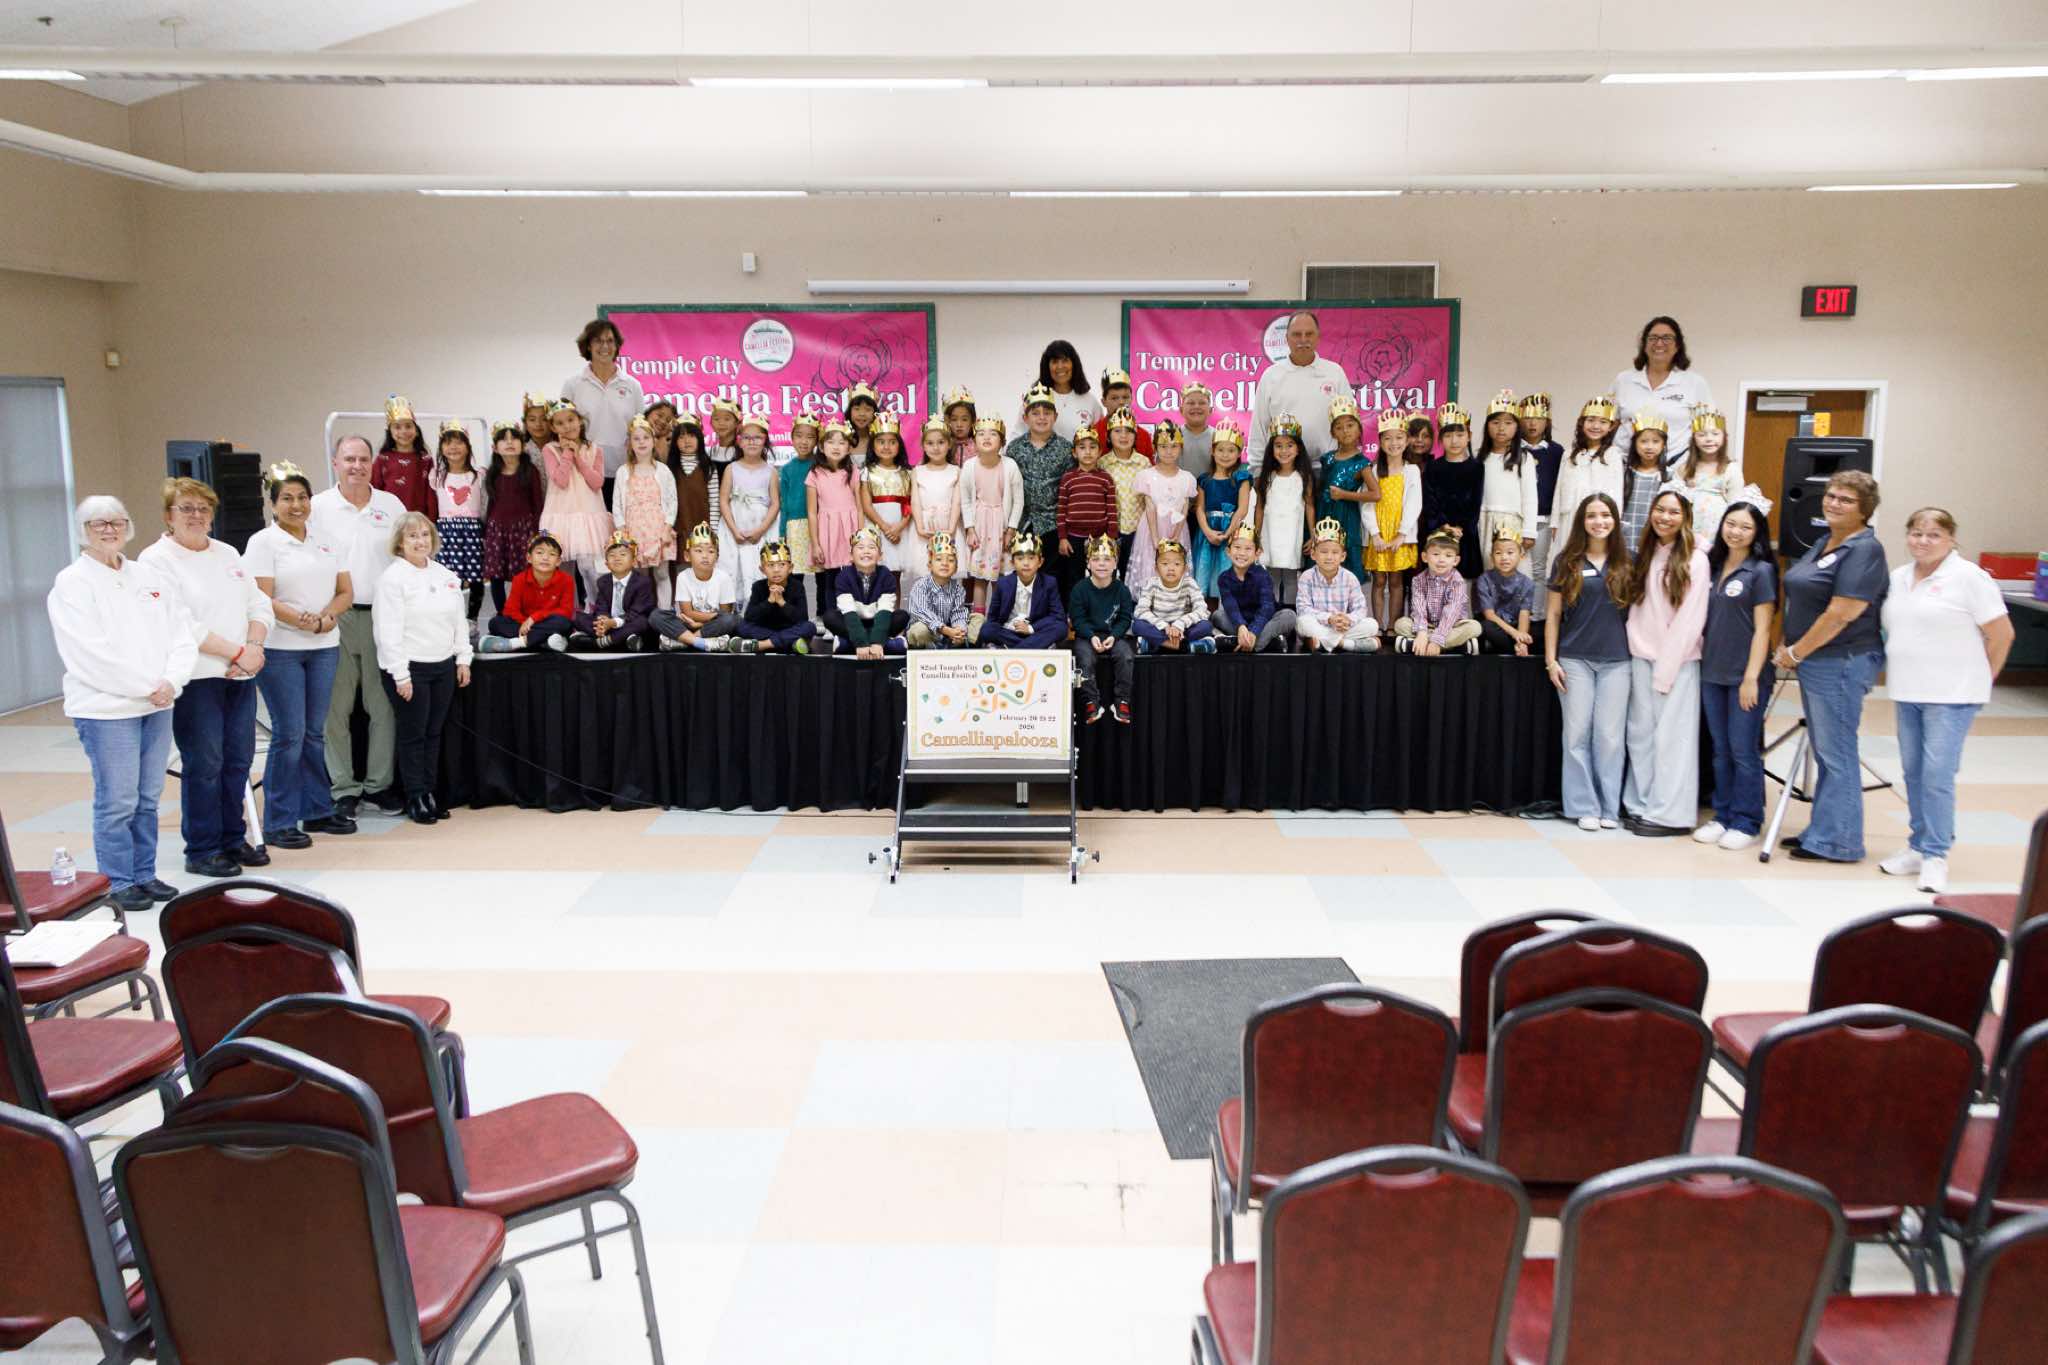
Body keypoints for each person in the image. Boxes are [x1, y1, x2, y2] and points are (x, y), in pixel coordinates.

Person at [47, 496, 196, 912]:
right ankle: (118, 880)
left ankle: (144, 874)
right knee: (118, 801)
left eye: (116, 521)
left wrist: (171, 681)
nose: (109, 529)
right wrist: (146, 686)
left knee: (148, 797)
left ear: (128, 526)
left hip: (158, 703)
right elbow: (87, 653)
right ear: (83, 531)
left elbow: (182, 634)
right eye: (98, 524)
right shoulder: (72, 583)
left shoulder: (148, 576)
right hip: (106, 709)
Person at [139, 477, 276, 876]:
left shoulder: (227, 553)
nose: (196, 516)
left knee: (238, 760)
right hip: (197, 678)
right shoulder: (155, 560)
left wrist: (254, 646)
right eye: (186, 508)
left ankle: (233, 838)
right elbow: (182, 624)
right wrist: (238, 653)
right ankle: (202, 849)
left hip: (240, 675)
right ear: (168, 516)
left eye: (203, 509)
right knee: (205, 763)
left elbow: (259, 604)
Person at [1877, 507, 2016, 893]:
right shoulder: (1899, 577)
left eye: (1934, 534)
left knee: (1937, 775)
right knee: (1913, 772)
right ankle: (1917, 845)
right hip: (1907, 690)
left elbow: (2002, 634)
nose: (1923, 541)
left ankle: (1935, 855)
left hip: (1952, 695)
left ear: (1952, 539)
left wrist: (1983, 678)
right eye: (1916, 533)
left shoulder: (1968, 577)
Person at [1773, 470, 1888, 864]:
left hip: (1840, 660)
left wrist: (1797, 652)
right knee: (1825, 750)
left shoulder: (1864, 550)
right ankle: (1823, 830)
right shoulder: (1826, 541)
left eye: (1846, 499)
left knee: (1837, 751)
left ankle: (1840, 842)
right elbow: (1806, 596)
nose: (1834, 503)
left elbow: (1842, 612)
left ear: (1865, 509)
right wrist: (1789, 643)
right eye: (1831, 496)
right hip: (1816, 659)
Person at [244, 462, 356, 846]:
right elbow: (260, 597)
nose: (296, 505)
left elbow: (345, 591)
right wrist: (301, 620)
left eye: (303, 497)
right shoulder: (263, 543)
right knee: (289, 734)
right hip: (281, 649)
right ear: (273, 504)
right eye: (287, 499)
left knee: (313, 733)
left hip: (323, 646)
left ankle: (317, 810)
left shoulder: (327, 540)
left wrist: (325, 619)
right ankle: (279, 820)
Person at [310, 433, 405, 820]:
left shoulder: (391, 504)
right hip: (337, 616)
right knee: (337, 707)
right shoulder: (317, 507)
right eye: (349, 459)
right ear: (335, 463)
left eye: (364, 459)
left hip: (383, 616)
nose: (357, 466)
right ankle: (343, 787)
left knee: (381, 706)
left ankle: (379, 785)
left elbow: (406, 556)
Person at [1618, 486, 1711, 836]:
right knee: (1640, 737)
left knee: (1673, 741)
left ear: (1686, 518)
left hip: (1676, 663)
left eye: (1673, 512)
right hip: (1641, 656)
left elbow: (1690, 621)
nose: (1665, 517)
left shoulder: (1696, 560)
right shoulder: (1648, 553)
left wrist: (1666, 670)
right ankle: (1640, 804)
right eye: (1660, 510)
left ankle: (1671, 815)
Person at [372, 512, 471, 825]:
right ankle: (415, 796)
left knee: (433, 733)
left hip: (442, 665)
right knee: (413, 735)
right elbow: (387, 631)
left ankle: (429, 792)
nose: (420, 541)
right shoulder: (392, 579)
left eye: (425, 535)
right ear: (400, 543)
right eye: (412, 536)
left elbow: (458, 620)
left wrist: (463, 657)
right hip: (409, 669)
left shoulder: (445, 574)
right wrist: (400, 674)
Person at [1546, 493, 1634, 831]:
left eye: (1606, 515)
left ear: (1615, 520)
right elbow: (1553, 615)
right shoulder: (1566, 561)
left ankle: (1610, 808)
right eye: (1592, 516)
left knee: (1610, 737)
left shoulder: (1629, 560)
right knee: (1576, 734)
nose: (1599, 522)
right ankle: (1585, 806)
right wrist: (1551, 660)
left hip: (1618, 660)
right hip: (1575, 660)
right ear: (1582, 521)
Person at [1695, 493, 1778, 852]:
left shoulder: (1761, 572)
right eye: (1731, 524)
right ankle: (1723, 814)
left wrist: (1751, 678)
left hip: (1746, 676)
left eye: (1745, 527)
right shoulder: (1712, 567)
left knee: (1743, 749)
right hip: (1712, 672)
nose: (1736, 532)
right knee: (1720, 749)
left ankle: (1747, 820)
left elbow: (1763, 630)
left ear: (1757, 533)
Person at [1249, 310, 1354, 473]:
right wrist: (1256, 471)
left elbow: (1351, 423)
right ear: (1287, 338)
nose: (1303, 340)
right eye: (1297, 334)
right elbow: (1259, 427)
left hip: (1329, 470)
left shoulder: (1335, 373)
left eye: (1309, 334)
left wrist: (1348, 465)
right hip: (1282, 469)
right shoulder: (1271, 376)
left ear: (1318, 337)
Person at [561, 317, 647, 494]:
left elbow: (641, 428)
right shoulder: (572, 385)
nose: (605, 346)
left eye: (610, 341)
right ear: (588, 346)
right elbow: (562, 427)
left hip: (624, 471)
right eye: (598, 341)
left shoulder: (632, 385)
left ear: (617, 346)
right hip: (584, 471)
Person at [1614, 316, 1713, 468]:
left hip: (1676, 468)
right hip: (1624, 467)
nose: (1659, 343)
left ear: (1677, 345)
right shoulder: (1623, 380)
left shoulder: (1694, 383)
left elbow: (1707, 429)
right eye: (1653, 338)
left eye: (1667, 338)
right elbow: (1610, 424)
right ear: (1644, 345)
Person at [541, 399, 614, 600]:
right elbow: (561, 480)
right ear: (553, 427)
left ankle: (595, 605)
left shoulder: (594, 449)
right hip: (561, 513)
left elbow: (597, 482)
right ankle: (569, 609)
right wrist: (567, 453)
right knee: (563, 568)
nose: (567, 426)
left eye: (571, 420)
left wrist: (578, 458)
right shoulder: (550, 449)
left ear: (579, 420)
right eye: (560, 423)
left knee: (589, 566)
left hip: (589, 513)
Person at [1546, 396, 1624, 576]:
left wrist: (1614, 521)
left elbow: (1617, 494)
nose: (1596, 426)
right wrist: (1555, 523)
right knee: (1566, 563)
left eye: (1603, 422)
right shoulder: (1569, 454)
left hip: (1596, 518)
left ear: (1611, 426)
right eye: (1591, 420)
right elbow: (1559, 490)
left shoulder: (1613, 455)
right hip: (1569, 517)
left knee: (1589, 564)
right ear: (1582, 423)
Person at [1007, 384, 1075, 588]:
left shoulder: (1065, 449)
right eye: (1035, 413)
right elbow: (1009, 489)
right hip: (1024, 523)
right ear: (1025, 418)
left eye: (1047, 413)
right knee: (1024, 575)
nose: (1042, 417)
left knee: (1053, 577)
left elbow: (1070, 490)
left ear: (1055, 416)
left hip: (1053, 525)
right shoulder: (1015, 449)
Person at [610, 415, 678, 609]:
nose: (641, 442)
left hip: (658, 530)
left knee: (662, 573)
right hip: (634, 531)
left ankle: (664, 614)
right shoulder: (623, 471)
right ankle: (642, 614)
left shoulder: (663, 471)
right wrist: (622, 530)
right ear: (630, 444)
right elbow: (617, 504)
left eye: (646, 438)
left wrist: (667, 529)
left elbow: (672, 502)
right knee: (640, 576)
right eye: (636, 438)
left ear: (653, 441)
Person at [1068, 533, 1137, 723]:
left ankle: (1122, 701)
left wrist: (1114, 635)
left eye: (1107, 559)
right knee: (1084, 658)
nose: (1101, 564)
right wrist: (1090, 636)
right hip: (1087, 636)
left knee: (1126, 655)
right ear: (1088, 563)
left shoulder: (1122, 590)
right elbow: (1077, 619)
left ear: (1115, 564)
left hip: (1112, 636)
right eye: (1096, 559)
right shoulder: (1079, 589)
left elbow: (1125, 618)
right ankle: (1091, 702)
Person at [1364, 410, 1421, 636]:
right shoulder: (1374, 470)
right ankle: (1377, 625)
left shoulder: (1411, 470)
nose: (1393, 443)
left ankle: (1392, 627)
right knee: (1378, 581)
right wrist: (1375, 534)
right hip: (1379, 533)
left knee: (1397, 581)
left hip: (1400, 534)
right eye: (1388, 438)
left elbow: (1414, 503)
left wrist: (1402, 534)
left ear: (1407, 441)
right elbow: (1367, 504)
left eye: (1399, 437)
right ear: (1380, 441)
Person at [960, 414, 1023, 611]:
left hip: (1001, 528)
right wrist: (970, 529)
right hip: (980, 526)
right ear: (974, 441)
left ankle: (997, 616)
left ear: (1002, 441)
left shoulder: (1010, 466)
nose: (986, 437)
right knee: (980, 577)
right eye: (981, 434)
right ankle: (978, 617)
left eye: (993, 434)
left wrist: (1011, 530)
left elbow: (1018, 501)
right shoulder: (969, 466)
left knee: (1000, 576)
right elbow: (966, 500)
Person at [1314, 398, 1380, 583]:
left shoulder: (1361, 463)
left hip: (1346, 517)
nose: (1345, 431)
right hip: (1324, 514)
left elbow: (1376, 494)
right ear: (1332, 433)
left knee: (1345, 559)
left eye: (1350, 425)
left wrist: (1345, 495)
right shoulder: (1327, 459)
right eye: (1339, 427)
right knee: (1323, 559)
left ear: (1359, 429)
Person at [429, 420, 488, 626]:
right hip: (447, 531)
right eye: (448, 442)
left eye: (459, 442)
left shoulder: (478, 474)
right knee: (449, 577)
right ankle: (450, 619)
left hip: (472, 531)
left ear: (468, 446)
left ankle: (472, 620)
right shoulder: (437, 475)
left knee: (475, 576)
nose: (453, 447)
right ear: (441, 447)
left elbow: (485, 503)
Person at [478, 532, 575, 653]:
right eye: (539, 553)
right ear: (529, 558)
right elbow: (510, 610)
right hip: (524, 624)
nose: (545, 558)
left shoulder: (566, 580)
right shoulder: (520, 579)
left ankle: (518, 643)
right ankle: (546, 642)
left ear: (558, 561)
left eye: (552, 554)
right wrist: (525, 623)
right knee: (495, 623)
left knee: (564, 623)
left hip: (549, 622)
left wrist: (533, 619)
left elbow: (565, 611)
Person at [806, 419, 864, 619]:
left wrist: (861, 537)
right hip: (827, 530)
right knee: (830, 578)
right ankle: (832, 621)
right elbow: (812, 512)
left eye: (842, 442)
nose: (836, 447)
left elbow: (860, 507)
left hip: (850, 529)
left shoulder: (853, 472)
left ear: (849, 448)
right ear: (822, 447)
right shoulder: (814, 474)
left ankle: (852, 619)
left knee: (851, 576)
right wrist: (815, 544)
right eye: (831, 442)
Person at [481, 419, 542, 612]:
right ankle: (502, 613)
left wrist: (536, 533)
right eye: (503, 439)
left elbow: (537, 504)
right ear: (495, 447)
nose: (509, 442)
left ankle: (523, 611)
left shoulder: (530, 471)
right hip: (497, 530)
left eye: (514, 438)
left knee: (523, 574)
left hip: (523, 531)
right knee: (496, 574)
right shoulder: (492, 473)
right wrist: (487, 531)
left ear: (523, 446)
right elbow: (490, 504)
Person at [1252, 416, 1314, 606]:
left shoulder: (1303, 477)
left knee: (1290, 576)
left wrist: (1313, 535)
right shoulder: (1266, 477)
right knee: (1271, 574)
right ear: (1271, 449)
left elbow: (1309, 506)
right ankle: (1270, 610)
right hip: (1270, 533)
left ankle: (1289, 612)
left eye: (1289, 445)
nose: (1284, 450)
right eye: (1278, 446)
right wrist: (1256, 535)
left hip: (1292, 534)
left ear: (1298, 448)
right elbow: (1260, 507)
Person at [1127, 422, 1195, 591]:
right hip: (1152, 528)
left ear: (1181, 448)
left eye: (1174, 446)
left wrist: (1176, 536)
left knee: (1173, 564)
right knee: (1151, 564)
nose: (1169, 451)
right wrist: (1155, 539)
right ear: (1155, 447)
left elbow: (1184, 507)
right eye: (1163, 446)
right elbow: (1150, 507)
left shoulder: (1187, 478)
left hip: (1176, 528)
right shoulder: (1146, 475)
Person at [720, 413, 781, 600]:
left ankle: (757, 606)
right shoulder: (731, 469)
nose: (752, 442)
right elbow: (723, 500)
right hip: (735, 525)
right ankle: (733, 607)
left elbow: (775, 503)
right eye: (746, 437)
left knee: (757, 565)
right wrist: (734, 530)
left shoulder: (770, 471)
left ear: (765, 441)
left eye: (757, 438)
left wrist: (761, 530)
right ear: (739, 441)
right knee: (733, 565)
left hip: (761, 527)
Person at [1294, 518, 1378, 653]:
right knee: (1302, 623)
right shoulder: (1307, 577)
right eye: (1323, 552)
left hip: (1342, 628)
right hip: (1319, 625)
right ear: (1313, 554)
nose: (1329, 557)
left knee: (1372, 625)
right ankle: (1346, 644)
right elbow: (1303, 609)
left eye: (1335, 552)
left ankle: (1323, 643)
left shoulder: (1350, 578)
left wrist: (1347, 619)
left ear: (1343, 556)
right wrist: (1329, 619)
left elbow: (1360, 609)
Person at [1476, 390, 1538, 573]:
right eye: (1495, 423)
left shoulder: (1523, 458)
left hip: (1511, 523)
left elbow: (1530, 498)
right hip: (1484, 521)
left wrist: (1529, 531)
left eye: (1508, 423)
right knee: (1487, 570)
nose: (1501, 428)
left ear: (1517, 427)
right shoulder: (1480, 458)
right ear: (1487, 426)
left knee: (1512, 571)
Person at [1421, 402, 1484, 579]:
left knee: (1464, 582)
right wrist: (1444, 526)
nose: (1454, 441)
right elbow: (1429, 501)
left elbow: (1476, 504)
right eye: (1448, 435)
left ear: (1469, 436)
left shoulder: (1477, 467)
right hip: (1437, 534)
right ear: (1440, 438)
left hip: (1465, 535)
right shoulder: (1433, 467)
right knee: (1437, 579)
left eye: (1460, 434)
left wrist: (1460, 528)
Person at [653, 524, 740, 651]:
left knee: (731, 620)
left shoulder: (724, 578)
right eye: (699, 551)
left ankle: (684, 642)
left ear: (717, 556)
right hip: (689, 624)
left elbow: (724, 614)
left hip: (712, 626)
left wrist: (700, 624)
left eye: (711, 551)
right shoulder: (683, 576)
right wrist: (707, 618)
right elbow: (687, 613)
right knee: (656, 616)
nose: (705, 556)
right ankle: (700, 642)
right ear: (687, 556)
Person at [1055, 427, 1118, 604]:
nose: (1088, 452)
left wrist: (1111, 538)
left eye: (1092, 447)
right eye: (1082, 447)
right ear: (1074, 453)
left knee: (1100, 576)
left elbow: (1112, 510)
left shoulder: (1106, 478)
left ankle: (1099, 610)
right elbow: (1061, 510)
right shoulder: (1068, 478)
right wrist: (1062, 538)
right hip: (1073, 538)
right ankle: (1074, 612)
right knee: (1073, 578)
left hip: (1099, 539)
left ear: (1100, 452)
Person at [1191, 420, 1252, 600]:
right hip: (1207, 532)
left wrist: (1227, 534)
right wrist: (1208, 532)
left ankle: (1227, 609)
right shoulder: (1204, 479)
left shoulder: (1242, 477)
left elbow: (1242, 509)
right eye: (1221, 450)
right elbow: (1200, 508)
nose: (1225, 455)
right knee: (1205, 570)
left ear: (1239, 453)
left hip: (1232, 532)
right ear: (1213, 451)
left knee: (1227, 570)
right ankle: (1203, 609)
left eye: (1231, 450)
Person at [1395, 529, 1482, 655]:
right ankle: (1457, 646)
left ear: (1456, 561)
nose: (1441, 560)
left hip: (1452, 626)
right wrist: (1422, 633)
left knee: (1475, 627)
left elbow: (1451, 612)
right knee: (1401, 624)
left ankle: (1417, 645)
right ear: (1425, 557)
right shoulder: (1418, 580)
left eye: (1448, 556)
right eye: (1436, 554)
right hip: (1427, 625)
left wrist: (1436, 640)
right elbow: (1419, 608)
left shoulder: (1457, 581)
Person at [825, 526, 906, 658]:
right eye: (861, 548)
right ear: (851, 555)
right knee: (830, 617)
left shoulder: (886, 575)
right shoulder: (843, 576)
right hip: (853, 621)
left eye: (872, 547)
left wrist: (877, 642)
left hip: (877, 621)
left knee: (902, 616)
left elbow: (884, 610)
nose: (866, 552)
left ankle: (846, 644)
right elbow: (849, 611)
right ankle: (890, 645)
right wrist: (861, 643)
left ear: (880, 556)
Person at [1213, 526, 1296, 653]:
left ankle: (1242, 643)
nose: (1242, 553)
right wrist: (1241, 626)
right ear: (1228, 551)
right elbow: (1231, 606)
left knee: (1289, 615)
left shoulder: (1263, 575)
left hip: (1263, 623)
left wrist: (1253, 632)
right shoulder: (1224, 578)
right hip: (1239, 624)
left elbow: (1267, 608)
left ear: (1257, 553)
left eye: (1248, 549)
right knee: (1217, 616)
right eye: (1237, 547)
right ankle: (1267, 643)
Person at [1518, 393, 1566, 611]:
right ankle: (1515, 616)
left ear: (1547, 421)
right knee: (1514, 568)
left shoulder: (1557, 452)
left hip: (1543, 519)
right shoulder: (1513, 450)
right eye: (1527, 418)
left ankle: (1537, 616)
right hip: (1518, 519)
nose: (1532, 423)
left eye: (1538, 418)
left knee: (1539, 570)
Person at [570, 530, 656, 652]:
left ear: (633, 561)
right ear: (606, 564)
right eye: (612, 555)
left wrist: (614, 622)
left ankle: (602, 641)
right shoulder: (603, 582)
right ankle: (624, 639)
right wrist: (602, 622)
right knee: (576, 617)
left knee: (642, 622)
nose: (617, 558)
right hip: (609, 623)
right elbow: (601, 607)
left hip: (629, 621)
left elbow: (637, 611)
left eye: (623, 554)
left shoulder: (642, 582)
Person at [978, 531, 1066, 649]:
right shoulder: (1003, 583)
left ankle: (1015, 650)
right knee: (987, 629)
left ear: (1040, 562)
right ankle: (1030, 648)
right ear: (1012, 562)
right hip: (1010, 633)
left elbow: (1057, 617)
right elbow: (992, 619)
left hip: (1035, 632)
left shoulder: (1049, 583)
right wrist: (1009, 627)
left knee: (1061, 628)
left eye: (1031, 558)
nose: (1026, 563)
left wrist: (1031, 628)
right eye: (1020, 558)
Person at [732, 541, 817, 654]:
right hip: (765, 630)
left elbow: (802, 618)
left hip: (789, 628)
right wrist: (769, 601)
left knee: (810, 627)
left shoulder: (797, 586)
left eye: (782, 564)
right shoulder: (758, 586)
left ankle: (763, 645)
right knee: (741, 626)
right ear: (762, 569)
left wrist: (782, 602)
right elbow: (750, 617)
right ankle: (788, 643)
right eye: (771, 565)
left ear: (790, 568)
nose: (776, 570)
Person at [906, 415, 962, 587]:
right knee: (925, 571)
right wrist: (919, 526)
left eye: (941, 442)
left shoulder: (956, 471)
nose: (936, 448)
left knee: (946, 568)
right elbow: (915, 501)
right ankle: (924, 603)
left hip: (948, 526)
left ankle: (947, 603)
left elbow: (956, 503)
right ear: (923, 446)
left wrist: (951, 528)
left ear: (949, 444)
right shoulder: (918, 471)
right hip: (925, 527)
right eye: (930, 443)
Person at [1133, 540, 1214, 654]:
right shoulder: (1152, 584)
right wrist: (1163, 626)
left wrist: (1180, 624)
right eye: (1165, 564)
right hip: (1160, 628)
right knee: (1137, 625)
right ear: (1156, 568)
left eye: (1177, 564)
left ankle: (1159, 644)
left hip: (1183, 629)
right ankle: (1183, 646)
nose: (1171, 568)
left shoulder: (1189, 584)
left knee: (1206, 625)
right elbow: (1140, 611)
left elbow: (1202, 610)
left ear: (1185, 569)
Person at [858, 412, 914, 578]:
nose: (886, 446)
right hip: (876, 527)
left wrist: (899, 527)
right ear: (873, 445)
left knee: (894, 576)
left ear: (899, 445)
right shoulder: (867, 472)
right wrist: (885, 528)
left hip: (899, 529)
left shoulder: (908, 473)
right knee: (875, 574)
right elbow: (866, 506)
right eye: (881, 442)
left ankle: (894, 598)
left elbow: (910, 503)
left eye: (892, 442)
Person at [667, 411, 715, 597]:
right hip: (678, 527)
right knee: (680, 569)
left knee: (702, 566)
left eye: (692, 435)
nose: (687, 440)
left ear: (700, 438)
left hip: (702, 526)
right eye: (681, 437)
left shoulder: (708, 467)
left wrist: (713, 531)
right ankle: (682, 605)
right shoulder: (669, 469)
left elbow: (714, 501)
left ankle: (704, 603)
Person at [1101, 412, 1152, 578]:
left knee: (1134, 574)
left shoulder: (1144, 463)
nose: (1123, 436)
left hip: (1138, 530)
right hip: (1110, 530)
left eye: (1129, 431)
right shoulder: (1102, 463)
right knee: (1110, 573)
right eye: (1117, 431)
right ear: (1109, 436)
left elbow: (1150, 498)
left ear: (1135, 436)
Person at [1681, 407, 1742, 541]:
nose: (1709, 439)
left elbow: (1736, 507)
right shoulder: (1685, 468)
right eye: (1702, 435)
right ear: (1694, 439)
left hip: (1718, 533)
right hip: (1688, 531)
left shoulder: (1731, 469)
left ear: (1724, 437)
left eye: (1715, 434)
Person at [905, 533, 972, 649]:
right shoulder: (921, 586)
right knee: (920, 630)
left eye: (950, 560)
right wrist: (945, 630)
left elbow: (958, 613)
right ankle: (928, 650)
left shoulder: (958, 589)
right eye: (939, 559)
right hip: (928, 632)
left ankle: (954, 644)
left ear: (956, 568)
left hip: (948, 632)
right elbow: (922, 612)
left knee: (976, 620)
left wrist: (958, 630)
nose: (945, 564)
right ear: (930, 565)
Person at [371, 395, 434, 518]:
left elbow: (430, 495)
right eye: (397, 427)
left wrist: (432, 522)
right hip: (389, 519)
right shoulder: (382, 460)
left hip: (418, 521)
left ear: (416, 430)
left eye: (408, 426)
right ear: (390, 432)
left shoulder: (426, 460)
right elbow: (374, 491)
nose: (403, 431)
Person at [1475, 528, 1535, 655]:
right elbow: (1489, 615)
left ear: (1521, 555)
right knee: (1485, 626)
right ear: (1491, 557)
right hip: (1496, 627)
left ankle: (1518, 647)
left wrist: (1521, 639)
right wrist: (1515, 634)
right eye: (1498, 553)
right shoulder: (1484, 579)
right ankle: (1513, 649)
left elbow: (1524, 614)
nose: (1504, 557)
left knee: (1541, 630)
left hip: (1515, 626)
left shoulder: (1527, 583)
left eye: (1510, 552)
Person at [1032, 340, 1103, 443]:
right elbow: (1018, 433)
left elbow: (1100, 437)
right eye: (1055, 361)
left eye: (1065, 360)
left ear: (1074, 364)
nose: (1060, 366)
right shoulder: (1035, 397)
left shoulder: (1090, 401)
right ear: (1047, 366)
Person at [1617, 413, 1668, 554]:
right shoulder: (1624, 472)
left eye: (1655, 441)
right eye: (1643, 441)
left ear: (1663, 445)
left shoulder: (1669, 476)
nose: (1649, 447)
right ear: (1635, 444)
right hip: (1625, 537)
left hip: (1653, 539)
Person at [777, 412, 820, 582]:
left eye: (810, 437)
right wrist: (782, 532)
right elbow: (784, 504)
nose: (804, 441)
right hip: (794, 527)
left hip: (818, 525)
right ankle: (797, 602)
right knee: (795, 575)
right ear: (792, 438)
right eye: (799, 436)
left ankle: (824, 603)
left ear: (817, 440)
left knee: (822, 574)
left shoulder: (820, 465)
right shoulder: (787, 469)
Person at [1090, 371, 1154, 458]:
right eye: (1114, 398)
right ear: (1104, 402)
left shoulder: (1144, 436)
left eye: (1125, 397)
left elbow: (1150, 465)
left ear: (1131, 399)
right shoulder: (1094, 434)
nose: (1121, 402)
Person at [1179, 380, 1217, 473]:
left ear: (1210, 410)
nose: (1196, 406)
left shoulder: (1218, 437)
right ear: (1181, 410)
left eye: (1202, 403)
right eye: (1191, 403)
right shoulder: (1172, 437)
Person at [943, 385, 979, 465]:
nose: (959, 425)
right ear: (948, 421)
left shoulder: (979, 447)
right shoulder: (943, 446)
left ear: (973, 421)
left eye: (964, 420)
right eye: (954, 419)